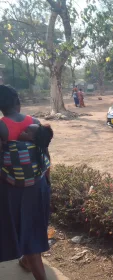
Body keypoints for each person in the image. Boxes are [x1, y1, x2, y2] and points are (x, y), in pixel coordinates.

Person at [0, 85, 53, 280]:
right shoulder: (35, 122)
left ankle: (33, 266)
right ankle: (25, 260)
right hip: (38, 185)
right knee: (33, 229)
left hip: (12, 188)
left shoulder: (1, 126)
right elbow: (44, 155)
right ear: (18, 103)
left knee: (20, 230)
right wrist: (47, 181)